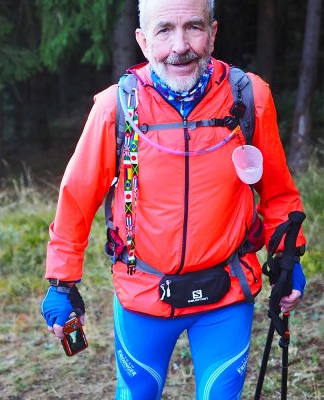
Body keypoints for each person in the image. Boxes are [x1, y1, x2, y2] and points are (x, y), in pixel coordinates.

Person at [40, 0, 308, 398]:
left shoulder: (249, 96)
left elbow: (278, 192)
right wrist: (62, 282)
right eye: (164, 30)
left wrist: (289, 255)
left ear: (213, 33)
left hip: (226, 293)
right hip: (143, 294)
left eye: (194, 28)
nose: (180, 45)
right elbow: (76, 198)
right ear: (143, 40)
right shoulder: (117, 107)